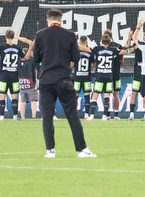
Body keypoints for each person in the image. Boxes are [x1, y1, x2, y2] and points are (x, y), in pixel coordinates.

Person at [32, 9, 95, 158]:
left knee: (47, 116)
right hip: (64, 79)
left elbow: (36, 59)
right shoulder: (69, 35)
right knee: (72, 115)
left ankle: (50, 150)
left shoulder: (40, 35)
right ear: (60, 20)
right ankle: (82, 149)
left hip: (46, 80)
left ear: (48, 20)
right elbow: (76, 57)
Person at [0, 30, 30, 120]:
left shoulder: (2, 47)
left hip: (4, 75)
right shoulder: (18, 48)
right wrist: (30, 47)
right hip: (14, 75)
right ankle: (15, 116)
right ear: (13, 36)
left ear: (6, 37)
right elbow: (26, 57)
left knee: (2, 95)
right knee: (14, 96)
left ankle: (1, 116)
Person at [91, 32, 128, 120]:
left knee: (95, 94)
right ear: (110, 39)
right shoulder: (115, 49)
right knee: (112, 94)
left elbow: (88, 51)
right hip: (111, 75)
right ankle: (113, 114)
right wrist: (133, 46)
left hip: (100, 75)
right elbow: (124, 54)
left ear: (101, 40)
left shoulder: (97, 49)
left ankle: (92, 115)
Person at [71, 35, 94, 119]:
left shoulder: (75, 52)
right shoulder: (90, 52)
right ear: (87, 42)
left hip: (77, 77)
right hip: (86, 77)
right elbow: (92, 65)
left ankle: (73, 115)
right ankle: (86, 115)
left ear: (79, 42)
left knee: (75, 96)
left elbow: (72, 64)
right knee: (87, 96)